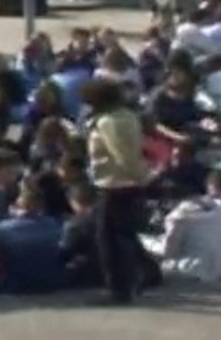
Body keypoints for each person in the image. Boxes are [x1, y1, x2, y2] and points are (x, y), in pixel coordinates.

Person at [83, 78, 153, 306]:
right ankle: (144, 274)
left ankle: (118, 289)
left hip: (113, 185)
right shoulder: (129, 116)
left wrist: (140, 179)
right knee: (126, 236)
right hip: (128, 185)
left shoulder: (108, 122)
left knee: (109, 241)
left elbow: (123, 155)